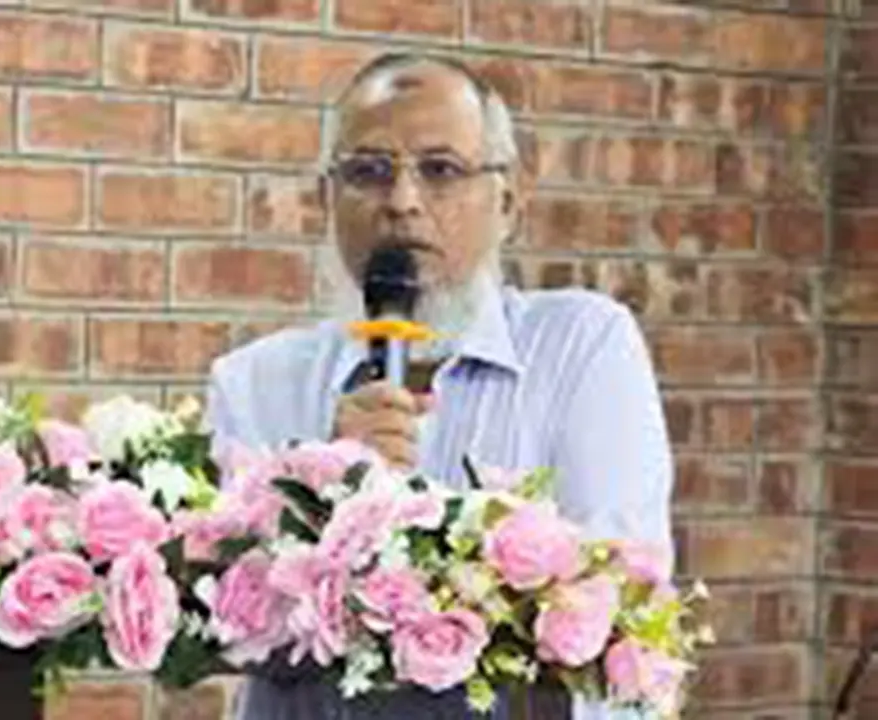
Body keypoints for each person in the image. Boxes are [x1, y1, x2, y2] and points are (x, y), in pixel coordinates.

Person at [204, 52, 674, 720]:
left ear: (507, 201)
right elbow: (224, 627)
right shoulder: (254, 382)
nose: (402, 202)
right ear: (326, 199)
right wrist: (319, 495)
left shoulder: (582, 347)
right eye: (369, 171)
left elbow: (620, 606)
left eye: (440, 170)